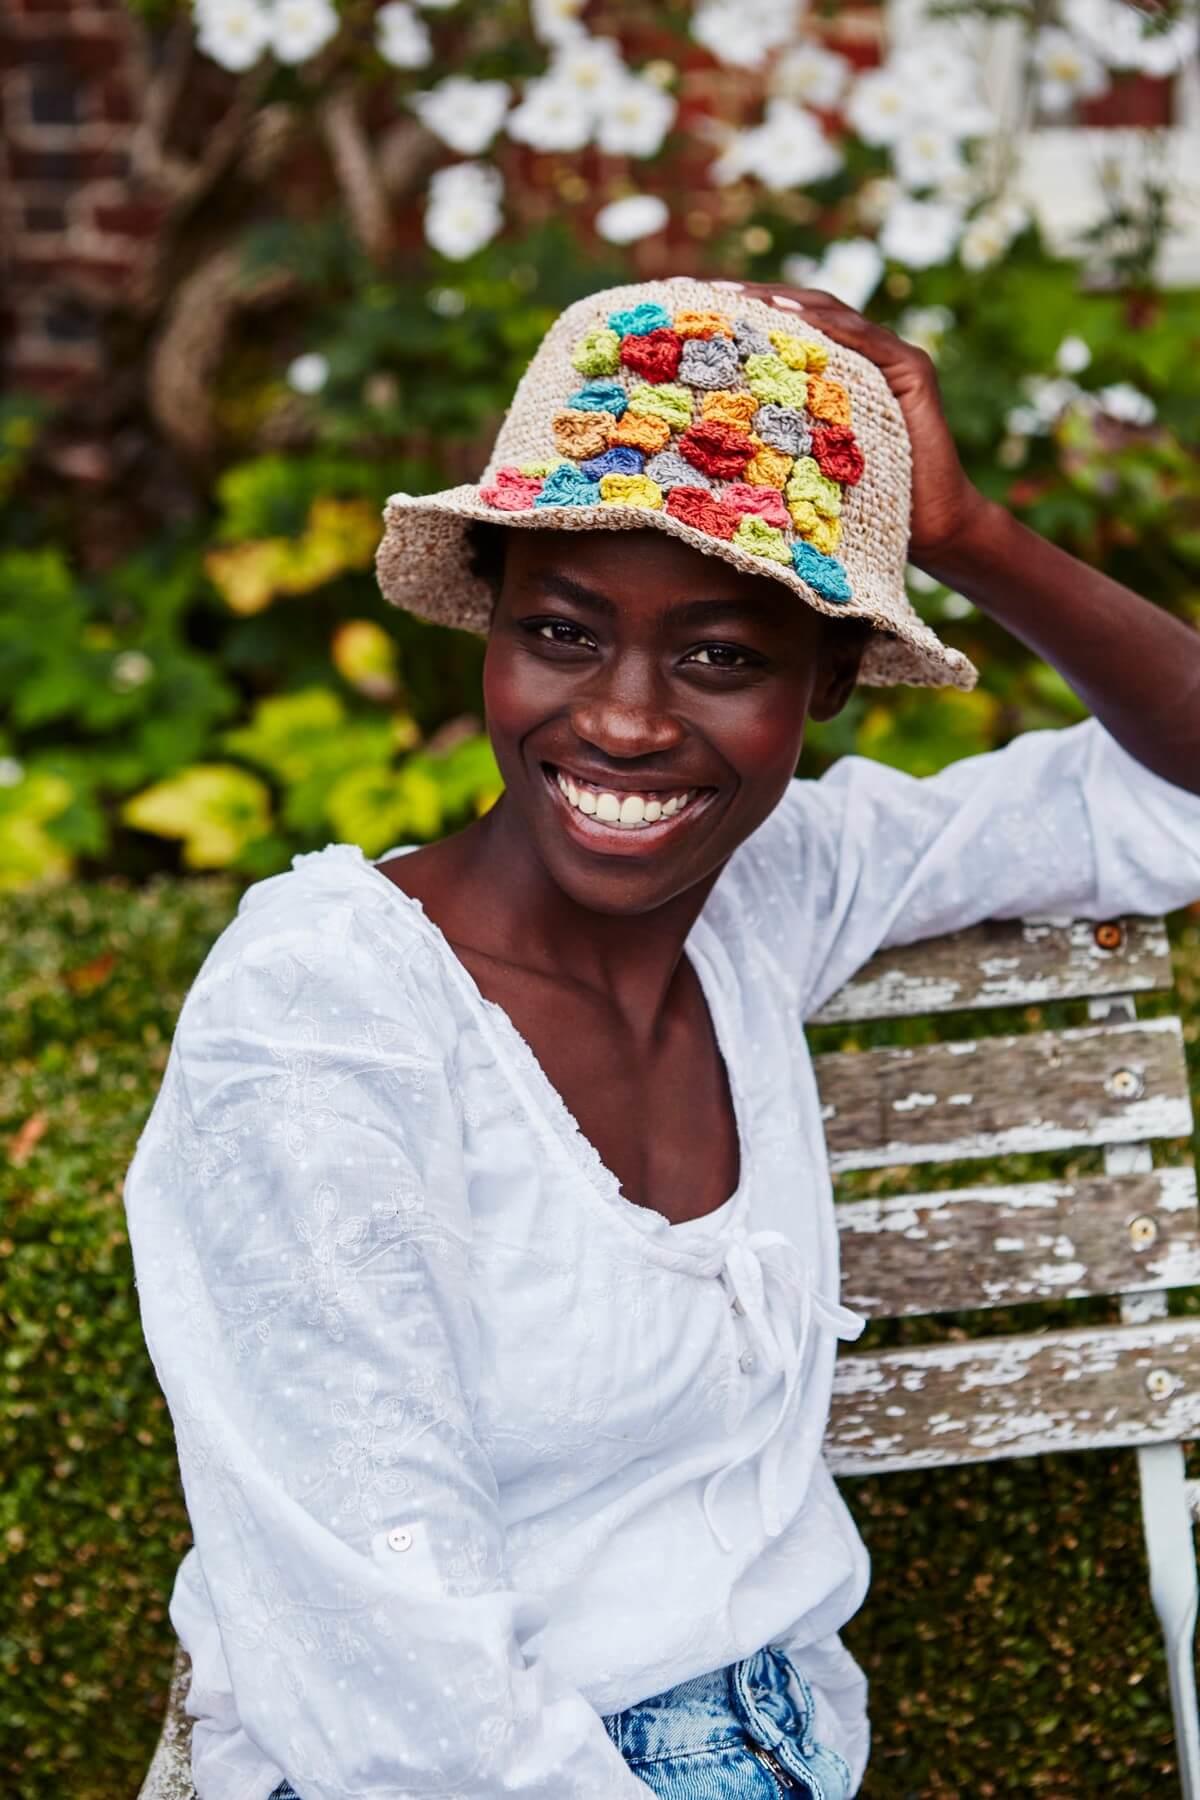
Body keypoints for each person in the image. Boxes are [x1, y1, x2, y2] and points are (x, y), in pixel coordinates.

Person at [124, 275, 1200, 1800]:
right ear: (489, 627)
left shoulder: (766, 898)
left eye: (719, 657)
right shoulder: (327, 1016)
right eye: (563, 632)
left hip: (791, 1738)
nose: (625, 721)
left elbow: (1178, 798)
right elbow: (406, 1689)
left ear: (826, 683)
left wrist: (960, 534)